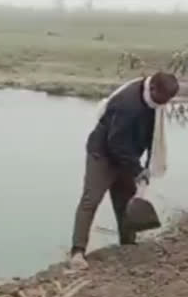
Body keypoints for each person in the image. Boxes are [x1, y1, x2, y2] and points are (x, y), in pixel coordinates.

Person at [69, 73, 179, 268]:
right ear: (152, 88)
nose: (164, 104)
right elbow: (115, 143)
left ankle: (128, 246)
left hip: (127, 157)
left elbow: (150, 136)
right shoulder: (128, 104)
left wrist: (144, 166)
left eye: (167, 101)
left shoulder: (154, 104)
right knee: (90, 200)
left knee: (125, 202)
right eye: (162, 99)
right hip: (102, 155)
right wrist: (137, 169)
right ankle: (77, 252)